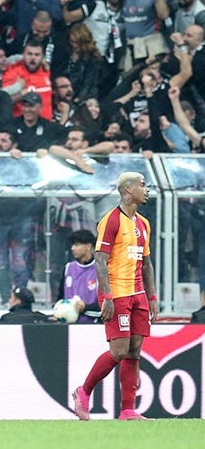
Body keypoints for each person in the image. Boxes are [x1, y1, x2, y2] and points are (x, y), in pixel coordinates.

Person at [73, 173, 157, 421]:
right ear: (128, 189)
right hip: (117, 293)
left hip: (138, 293)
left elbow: (146, 263)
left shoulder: (144, 224)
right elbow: (100, 259)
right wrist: (107, 295)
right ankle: (83, 391)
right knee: (119, 351)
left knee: (134, 351)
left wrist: (152, 297)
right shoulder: (111, 220)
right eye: (143, 185)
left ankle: (127, 410)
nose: (147, 190)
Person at [56, 229, 101, 324]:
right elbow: (60, 296)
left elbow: (105, 305)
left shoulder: (100, 269)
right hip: (68, 325)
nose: (72, 248)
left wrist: (85, 307)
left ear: (88, 246)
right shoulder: (68, 268)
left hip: (93, 325)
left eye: (76, 245)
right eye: (72, 245)